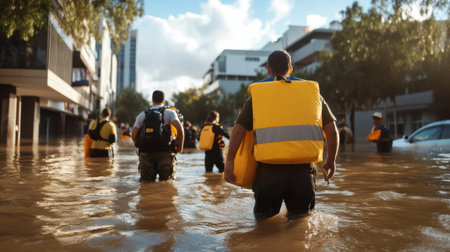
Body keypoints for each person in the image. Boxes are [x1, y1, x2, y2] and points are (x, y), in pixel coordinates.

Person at [224, 50, 339, 220]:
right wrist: (331, 159)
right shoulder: (313, 94)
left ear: (268, 70)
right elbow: (331, 128)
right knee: (301, 222)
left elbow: (238, 130)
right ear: (290, 69)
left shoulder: (258, 95)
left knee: (264, 223)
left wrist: (230, 160)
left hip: (269, 172)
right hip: (302, 171)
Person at [131, 90, 184, 181]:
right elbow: (180, 129)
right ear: (164, 100)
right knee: (167, 183)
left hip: (146, 153)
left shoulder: (143, 114)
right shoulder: (169, 113)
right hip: (165, 152)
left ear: (152, 100)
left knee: (146, 184)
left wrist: (139, 145)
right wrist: (180, 147)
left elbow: (133, 134)